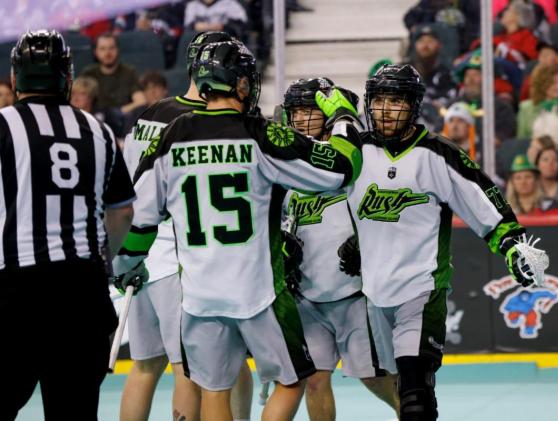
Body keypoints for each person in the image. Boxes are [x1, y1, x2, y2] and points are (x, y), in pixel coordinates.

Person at [113, 40, 363, 421]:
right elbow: (343, 168)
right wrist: (344, 116)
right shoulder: (259, 133)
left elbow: (142, 217)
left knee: (215, 390)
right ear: (241, 84)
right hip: (257, 293)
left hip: (197, 296)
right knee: (293, 380)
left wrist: (127, 262)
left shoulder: (173, 135)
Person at [339, 64, 547, 421]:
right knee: (398, 386)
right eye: (381, 100)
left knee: (416, 389)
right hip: (374, 290)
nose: (386, 110)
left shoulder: (438, 154)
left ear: (414, 105)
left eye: (396, 100)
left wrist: (512, 244)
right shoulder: (356, 153)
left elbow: (482, 199)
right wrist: (354, 243)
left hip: (422, 289)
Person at [118, 31, 254, 421]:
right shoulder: (208, 120)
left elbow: (132, 186)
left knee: (144, 367)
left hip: (142, 257)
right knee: (194, 371)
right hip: (186, 263)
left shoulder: (149, 114)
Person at [1, 29, 136, 420]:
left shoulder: (2, 124)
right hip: (81, 293)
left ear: (15, 78)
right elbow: (122, 213)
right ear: (68, 78)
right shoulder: (98, 131)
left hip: (15, 290)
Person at [281, 77, 399, 421]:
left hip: (353, 293)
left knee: (375, 378)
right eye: (296, 111)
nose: (302, 119)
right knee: (315, 382)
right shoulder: (285, 158)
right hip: (307, 294)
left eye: (310, 110)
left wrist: (367, 240)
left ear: (328, 113)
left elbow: (388, 207)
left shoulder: (355, 154)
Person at [517, 63, 558, 148]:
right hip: (533, 152)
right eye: (554, 83)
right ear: (542, 85)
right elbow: (522, 138)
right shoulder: (526, 107)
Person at [81, 32, 146, 114]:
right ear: (96, 52)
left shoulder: (129, 72)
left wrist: (118, 112)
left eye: (111, 48)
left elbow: (141, 101)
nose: (108, 53)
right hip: (95, 120)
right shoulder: (88, 74)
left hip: (122, 120)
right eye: (102, 49)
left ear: (118, 50)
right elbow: (79, 103)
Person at [407, 25, 457, 107]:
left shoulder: (447, 75)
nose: (425, 45)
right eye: (421, 41)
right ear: (415, 45)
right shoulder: (404, 72)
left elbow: (450, 100)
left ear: (439, 45)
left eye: (430, 41)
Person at [184, 0, 248, 38]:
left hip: (224, 38)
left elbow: (241, 23)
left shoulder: (229, 3)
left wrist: (223, 26)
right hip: (199, 39)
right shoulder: (193, 5)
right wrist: (196, 26)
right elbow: (188, 25)